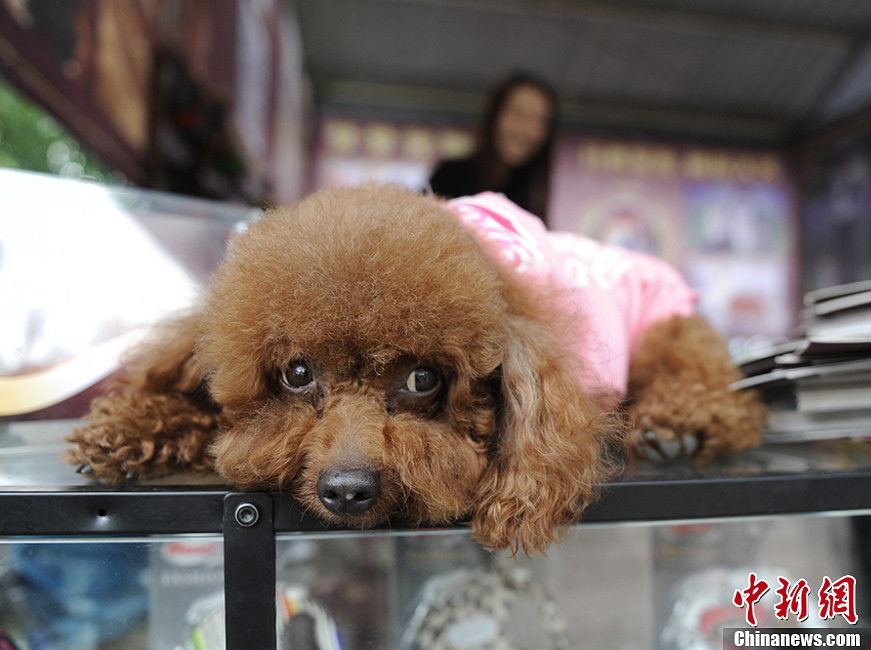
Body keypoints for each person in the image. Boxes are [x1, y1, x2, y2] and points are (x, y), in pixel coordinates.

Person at [428, 72, 558, 224]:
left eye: (539, 120)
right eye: (518, 113)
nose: (526, 129)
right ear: (494, 115)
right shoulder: (450, 175)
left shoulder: (533, 194)